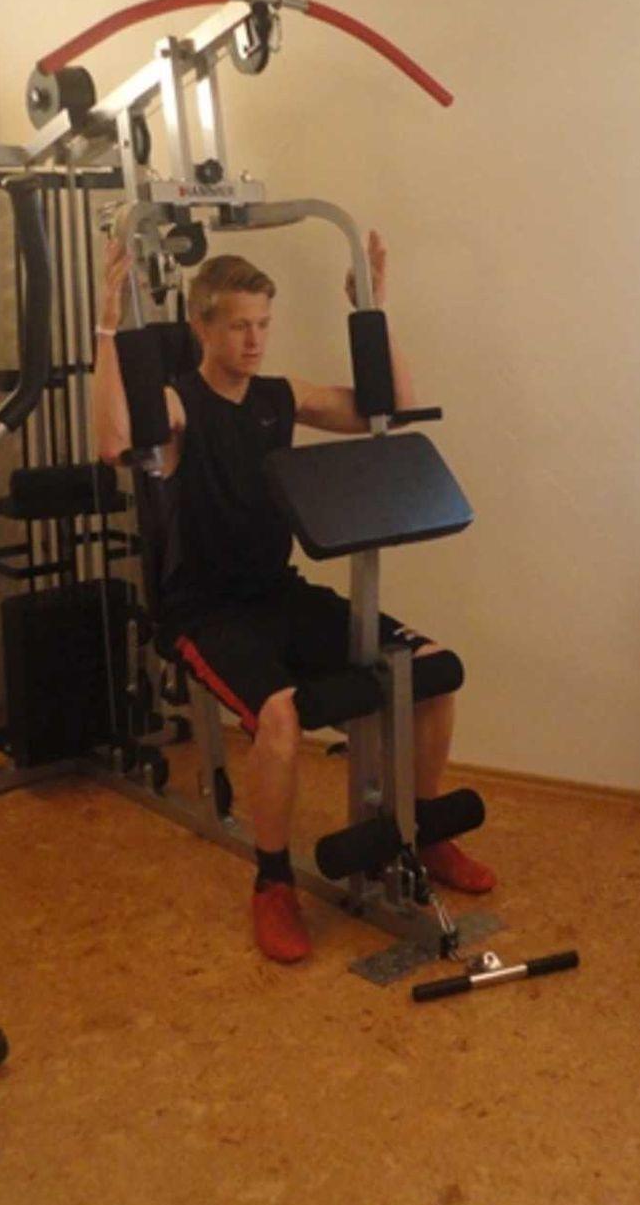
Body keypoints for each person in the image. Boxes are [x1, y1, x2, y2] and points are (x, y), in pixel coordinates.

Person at [89, 231, 493, 963]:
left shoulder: (279, 397)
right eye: (238, 326)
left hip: (279, 593)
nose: (254, 340)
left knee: (431, 670)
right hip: (202, 611)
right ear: (202, 326)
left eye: (263, 325)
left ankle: (426, 830)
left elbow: (394, 408)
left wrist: (371, 312)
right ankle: (272, 882)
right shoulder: (179, 405)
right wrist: (107, 328)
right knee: (279, 715)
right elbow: (114, 441)